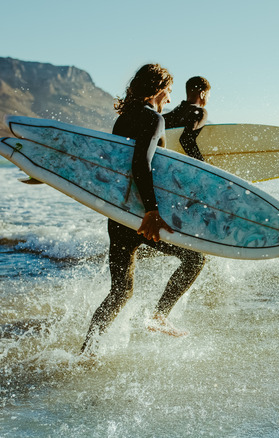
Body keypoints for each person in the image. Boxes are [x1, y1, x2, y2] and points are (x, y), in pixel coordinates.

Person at [81, 64, 206, 353]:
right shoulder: (153, 119)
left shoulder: (123, 119)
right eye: (170, 92)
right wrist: (151, 211)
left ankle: (87, 352)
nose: (170, 100)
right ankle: (160, 316)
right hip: (142, 215)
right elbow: (142, 163)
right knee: (195, 259)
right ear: (160, 89)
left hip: (120, 214)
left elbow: (117, 166)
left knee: (120, 292)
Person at [162, 76, 211, 161]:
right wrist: (202, 164)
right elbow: (186, 139)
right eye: (208, 97)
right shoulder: (200, 112)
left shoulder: (171, 114)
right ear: (202, 94)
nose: (208, 100)